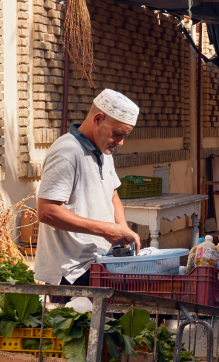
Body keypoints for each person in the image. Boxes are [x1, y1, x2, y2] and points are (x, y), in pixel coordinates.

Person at [34, 89, 142, 288]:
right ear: (98, 118)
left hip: (99, 262)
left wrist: (122, 229)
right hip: (72, 272)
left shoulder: (104, 150)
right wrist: (105, 230)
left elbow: (113, 194)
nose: (121, 142)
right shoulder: (67, 151)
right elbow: (47, 211)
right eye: (118, 134)